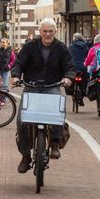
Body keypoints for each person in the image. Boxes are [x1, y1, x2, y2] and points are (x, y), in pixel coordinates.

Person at [11, 18, 75, 173]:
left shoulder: (61, 48)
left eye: (50, 31)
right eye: (45, 31)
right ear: (40, 32)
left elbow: (70, 67)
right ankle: (26, 156)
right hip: (32, 87)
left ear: (55, 32)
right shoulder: (30, 46)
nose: (48, 34)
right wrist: (15, 76)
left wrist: (68, 78)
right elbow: (18, 64)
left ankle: (54, 144)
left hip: (51, 86)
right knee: (21, 120)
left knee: (58, 114)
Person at [69, 32, 90, 105]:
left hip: (73, 67)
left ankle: (72, 92)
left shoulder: (71, 47)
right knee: (84, 79)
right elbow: (88, 56)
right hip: (82, 66)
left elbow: (67, 57)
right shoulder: (85, 47)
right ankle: (83, 92)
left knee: (71, 78)